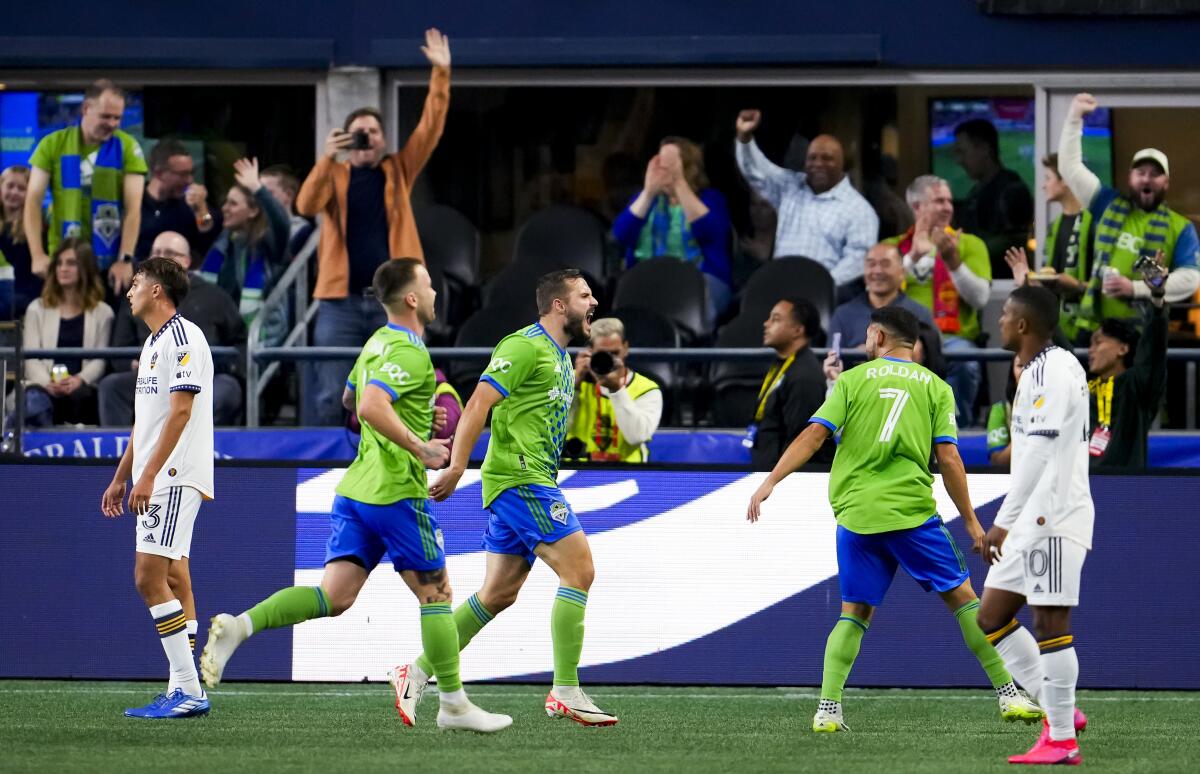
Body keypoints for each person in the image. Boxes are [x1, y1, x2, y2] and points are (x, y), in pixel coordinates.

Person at [199, 259, 509, 732]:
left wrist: (411, 409)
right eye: (428, 284)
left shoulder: (375, 343)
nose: (434, 293)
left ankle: (240, 627)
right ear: (410, 298)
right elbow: (368, 405)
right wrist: (419, 443)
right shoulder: (410, 350)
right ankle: (453, 704)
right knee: (438, 594)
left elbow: (350, 399)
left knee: (335, 595)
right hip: (396, 492)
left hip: (356, 489)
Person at [746, 306, 1041, 733]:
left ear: (878, 338)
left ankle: (828, 709)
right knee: (964, 599)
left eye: (868, 337)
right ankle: (1009, 695)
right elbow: (949, 457)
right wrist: (973, 522)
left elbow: (814, 435)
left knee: (853, 613)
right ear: (912, 343)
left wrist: (770, 481)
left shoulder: (850, 381)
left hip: (856, 514)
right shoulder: (937, 388)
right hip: (909, 514)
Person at [392, 269, 620, 728]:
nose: (593, 302)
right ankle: (566, 689)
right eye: (584, 295)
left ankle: (414, 672)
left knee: (497, 594)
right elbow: (478, 403)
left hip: (526, 479)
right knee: (580, 571)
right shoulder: (523, 345)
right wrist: (458, 466)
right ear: (559, 305)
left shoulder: (559, 355)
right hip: (521, 480)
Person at [298, 28, 451, 427]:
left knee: (405, 387)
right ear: (347, 138)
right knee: (333, 391)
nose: (367, 138)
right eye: (359, 132)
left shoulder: (398, 169)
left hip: (397, 302)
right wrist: (327, 159)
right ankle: (323, 466)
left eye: (374, 132)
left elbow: (430, 129)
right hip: (340, 302)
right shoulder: (335, 173)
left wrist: (441, 74)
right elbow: (305, 205)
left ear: (384, 139)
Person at [975, 285, 1094, 765]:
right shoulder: (1043, 369)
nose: (999, 321)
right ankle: (1057, 706)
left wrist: (1002, 521)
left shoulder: (1048, 371)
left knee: (1049, 622)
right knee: (991, 617)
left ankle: (1062, 739)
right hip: (1033, 520)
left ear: (1023, 326)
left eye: (1004, 314)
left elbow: (1040, 452)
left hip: (1053, 516)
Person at [100, 256, 214, 719]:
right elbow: (144, 422)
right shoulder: (153, 343)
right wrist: (122, 474)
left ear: (157, 291)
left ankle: (189, 690)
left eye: (136, 282)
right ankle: (180, 687)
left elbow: (181, 413)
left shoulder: (185, 338)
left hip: (172, 474)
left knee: (148, 577)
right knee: (174, 576)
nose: (129, 290)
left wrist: (148, 476)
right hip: (157, 473)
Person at [1058, 93, 1200, 329]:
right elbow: (1069, 167)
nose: (1147, 179)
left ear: (1166, 183)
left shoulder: (1180, 227)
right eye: (1141, 173)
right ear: (1129, 178)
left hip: (1142, 331)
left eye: (1155, 174)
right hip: (1096, 328)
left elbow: (1191, 278)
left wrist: (1135, 289)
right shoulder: (1106, 203)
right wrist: (1074, 117)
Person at [100, 231, 246, 427]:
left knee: (227, 390)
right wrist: (132, 364)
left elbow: (240, 343)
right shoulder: (135, 296)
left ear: (185, 261)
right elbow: (120, 349)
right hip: (151, 377)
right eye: (156, 252)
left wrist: (215, 365)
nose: (160, 258)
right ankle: (122, 452)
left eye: (168, 252)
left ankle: (197, 448)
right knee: (112, 386)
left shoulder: (216, 297)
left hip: (204, 377)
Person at [886, 175, 992, 427]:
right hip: (903, 337)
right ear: (916, 207)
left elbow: (980, 299)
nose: (948, 207)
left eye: (949, 201)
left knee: (964, 362)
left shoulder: (969, 244)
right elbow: (880, 292)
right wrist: (911, 258)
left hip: (954, 338)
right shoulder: (891, 248)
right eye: (938, 201)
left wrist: (952, 260)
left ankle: (954, 431)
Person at [25, 79, 147, 294]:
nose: (112, 123)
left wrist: (125, 258)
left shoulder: (128, 147)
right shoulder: (52, 144)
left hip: (109, 264)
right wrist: (37, 255)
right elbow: (33, 201)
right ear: (85, 109)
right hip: (63, 260)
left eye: (117, 118)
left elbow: (133, 209)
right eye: (105, 116)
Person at [734, 109, 878, 289]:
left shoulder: (859, 209)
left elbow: (858, 259)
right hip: (780, 285)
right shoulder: (790, 187)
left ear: (842, 165)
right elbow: (756, 171)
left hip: (827, 294)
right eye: (812, 158)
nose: (818, 164)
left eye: (827, 158)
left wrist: (819, 284)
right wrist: (745, 137)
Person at [612, 137, 733, 324]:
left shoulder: (710, 199)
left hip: (700, 280)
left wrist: (679, 184)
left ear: (688, 167)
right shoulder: (644, 199)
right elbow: (620, 235)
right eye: (660, 163)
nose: (664, 169)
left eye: (670, 164)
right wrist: (648, 192)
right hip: (648, 278)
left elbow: (710, 231)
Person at [1082, 256, 1169, 469]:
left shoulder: (1137, 388)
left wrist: (1156, 299)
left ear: (1122, 349)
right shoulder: (1083, 387)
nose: (1090, 351)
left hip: (1127, 492)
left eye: (1098, 342)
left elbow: (1153, 352)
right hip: (1083, 491)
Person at [21, 239, 113, 425]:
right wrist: (47, 382)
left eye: (71, 263)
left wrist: (79, 379)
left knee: (84, 398)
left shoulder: (103, 313)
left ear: (85, 269)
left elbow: (99, 360)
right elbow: (30, 358)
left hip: (83, 388)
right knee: (35, 402)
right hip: (43, 386)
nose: (63, 268)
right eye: (59, 263)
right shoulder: (36, 309)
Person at [198, 158, 290, 341]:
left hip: (260, 341)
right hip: (221, 337)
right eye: (225, 202)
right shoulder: (223, 243)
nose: (225, 208)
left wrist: (258, 188)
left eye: (233, 204)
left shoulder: (269, 248)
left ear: (253, 211)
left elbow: (281, 224)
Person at [566, 316, 663, 463]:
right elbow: (553, 430)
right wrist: (574, 384)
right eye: (603, 354)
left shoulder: (648, 389)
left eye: (615, 353)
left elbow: (636, 436)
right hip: (579, 471)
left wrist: (617, 389)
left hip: (627, 472)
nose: (610, 359)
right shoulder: (573, 381)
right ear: (590, 351)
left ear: (625, 348)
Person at [750, 298, 830, 471]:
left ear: (797, 330)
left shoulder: (804, 377)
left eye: (776, 319)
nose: (766, 324)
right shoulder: (784, 364)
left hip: (791, 481)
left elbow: (802, 441)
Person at [951, 119, 1033, 278]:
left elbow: (1015, 242)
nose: (959, 161)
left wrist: (966, 251)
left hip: (1001, 286)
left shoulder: (1012, 190)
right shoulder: (976, 190)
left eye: (963, 152)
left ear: (984, 149)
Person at [829, 243, 935, 348]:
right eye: (871, 264)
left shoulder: (920, 314)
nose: (877, 271)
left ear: (902, 272)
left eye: (885, 264)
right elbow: (831, 359)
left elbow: (934, 360)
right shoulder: (843, 315)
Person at [1034, 154, 1092, 344]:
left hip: (1090, 332)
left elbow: (1111, 285)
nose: (1044, 185)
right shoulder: (1054, 226)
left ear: (1065, 180)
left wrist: (1077, 286)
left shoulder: (1096, 224)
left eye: (1048, 178)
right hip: (1058, 331)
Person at [134, 139, 220, 261]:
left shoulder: (189, 203)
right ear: (159, 173)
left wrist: (201, 210)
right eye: (182, 174)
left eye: (191, 173)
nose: (189, 180)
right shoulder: (135, 201)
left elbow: (208, 244)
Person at [1, 165, 42, 318]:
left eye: (21, 188)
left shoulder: (37, 227)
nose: (14, 192)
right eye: (10, 186)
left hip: (27, 299)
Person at [261, 164, 315, 258]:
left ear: (288, 195)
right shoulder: (251, 227)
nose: (260, 198)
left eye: (266, 193)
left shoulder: (300, 230)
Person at [985, 358, 1023, 467]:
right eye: (1020, 365)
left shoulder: (1054, 408)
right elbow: (997, 462)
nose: (1026, 370)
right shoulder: (1000, 410)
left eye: (1030, 365)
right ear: (1012, 372)